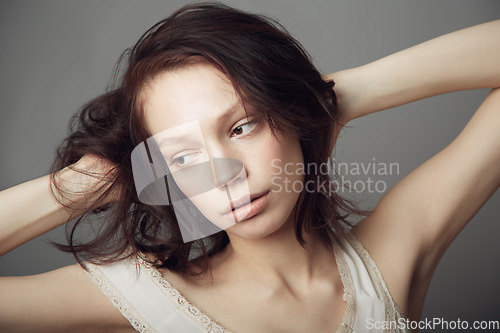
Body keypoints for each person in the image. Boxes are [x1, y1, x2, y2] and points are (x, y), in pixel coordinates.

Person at [1, 2, 499, 332]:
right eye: (184, 156)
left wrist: (330, 97)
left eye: (241, 127)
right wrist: (85, 184)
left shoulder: (393, 256)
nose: (224, 173)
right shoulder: (143, 297)